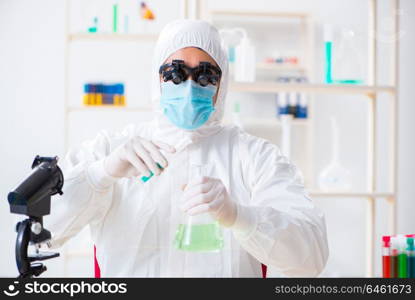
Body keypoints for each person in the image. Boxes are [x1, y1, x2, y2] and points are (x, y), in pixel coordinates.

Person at [46, 19, 328, 277]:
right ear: (157, 78)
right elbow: (44, 233)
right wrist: (101, 174)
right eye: (175, 73)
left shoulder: (255, 157)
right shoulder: (112, 148)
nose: (190, 87)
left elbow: (311, 260)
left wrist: (240, 216)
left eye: (205, 76)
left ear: (222, 85)